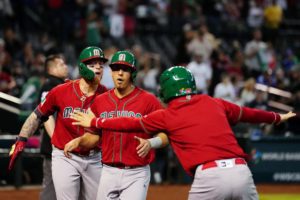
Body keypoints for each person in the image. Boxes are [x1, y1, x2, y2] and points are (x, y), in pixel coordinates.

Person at [71, 66, 296, 200]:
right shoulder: (213, 102)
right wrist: (277, 117)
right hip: (241, 171)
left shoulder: (167, 115)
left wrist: (97, 121)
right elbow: (249, 114)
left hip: (209, 178)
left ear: (166, 89)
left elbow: (129, 124)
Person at [64, 50, 169, 200]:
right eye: (115, 69)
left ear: (132, 73)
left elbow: (165, 134)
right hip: (107, 171)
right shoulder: (100, 101)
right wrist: (79, 141)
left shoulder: (149, 100)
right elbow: (94, 137)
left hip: (136, 173)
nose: (119, 73)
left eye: (125, 69)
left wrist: (151, 143)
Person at [8, 46, 109, 200]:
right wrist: (22, 139)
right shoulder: (61, 90)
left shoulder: (106, 95)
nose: (98, 68)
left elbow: (103, 132)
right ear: (82, 67)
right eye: (92, 64)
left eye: (101, 65)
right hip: (65, 156)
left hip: (93, 157)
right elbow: (37, 116)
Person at [38, 54, 69, 200]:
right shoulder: (49, 85)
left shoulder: (62, 84)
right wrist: (57, 139)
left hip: (62, 146)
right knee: (51, 190)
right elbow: (46, 115)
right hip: (53, 148)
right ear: (52, 68)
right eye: (62, 64)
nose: (66, 66)